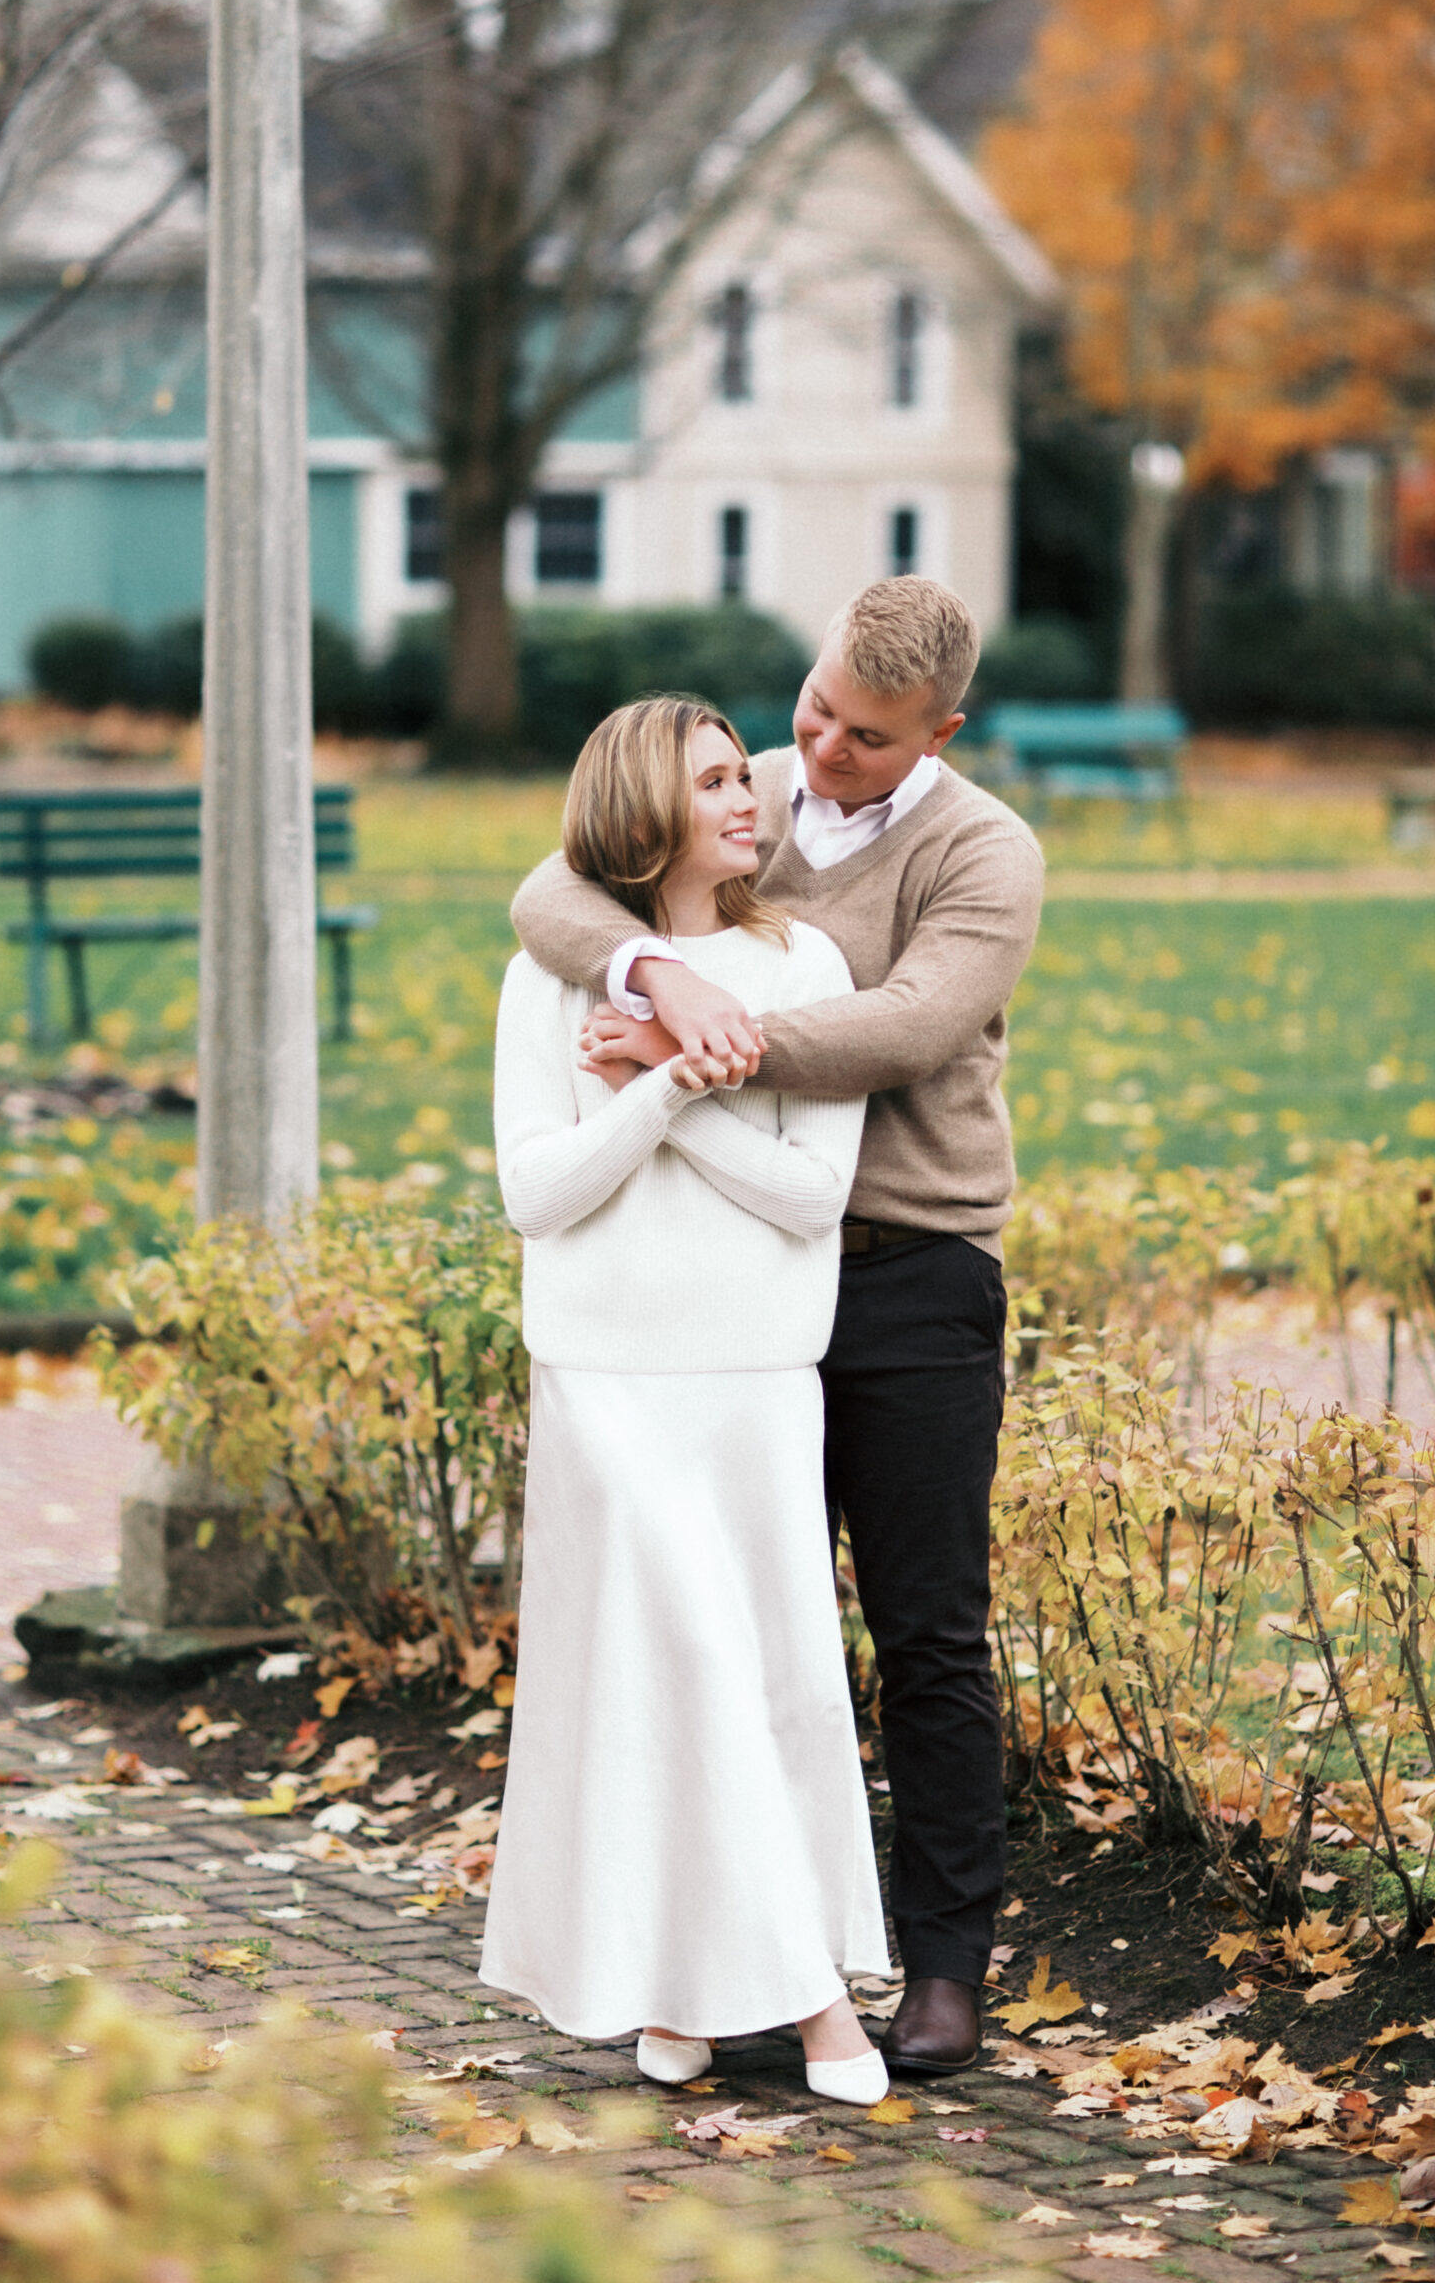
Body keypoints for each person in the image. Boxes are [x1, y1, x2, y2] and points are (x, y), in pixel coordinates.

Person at [510, 577, 1045, 2077]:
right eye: (811, 711)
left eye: (865, 740)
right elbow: (549, 895)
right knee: (744, 1638)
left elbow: (904, 1029)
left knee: (926, 1631)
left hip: (914, 1271)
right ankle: (733, 1959)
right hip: (741, 1285)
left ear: (940, 731)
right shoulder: (745, 786)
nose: (817, 757)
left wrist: (694, 1050)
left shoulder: (987, 853)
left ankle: (942, 1971)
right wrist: (654, 964)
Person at [480, 696, 893, 2103]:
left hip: (752, 1376)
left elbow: (811, 1196)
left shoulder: (809, 963)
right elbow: (539, 1193)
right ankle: (807, 2003)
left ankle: (708, 1997)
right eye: (713, 779)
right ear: (646, 803)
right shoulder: (549, 980)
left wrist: (671, 1081)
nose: (749, 795)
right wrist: (655, 1103)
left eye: (743, 775)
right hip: (606, 1378)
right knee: (670, 1685)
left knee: (756, 1681)